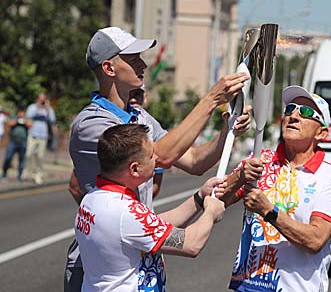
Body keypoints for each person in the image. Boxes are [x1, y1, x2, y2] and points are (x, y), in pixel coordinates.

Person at [65, 26, 250, 291]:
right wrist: (210, 100)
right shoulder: (91, 123)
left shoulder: (140, 116)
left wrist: (227, 132)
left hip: (140, 251)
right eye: (133, 59)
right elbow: (160, 157)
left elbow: (195, 160)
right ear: (109, 68)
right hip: (99, 263)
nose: (143, 64)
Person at [220, 85, 331, 292]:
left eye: (306, 112)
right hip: (248, 287)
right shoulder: (258, 160)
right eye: (290, 109)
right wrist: (239, 177)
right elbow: (215, 204)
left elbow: (315, 240)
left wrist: (268, 211)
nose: (294, 116)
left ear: (322, 132)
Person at [75, 123, 225, 291]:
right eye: (151, 155)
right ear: (135, 168)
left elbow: (151, 225)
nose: (156, 158)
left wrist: (199, 198)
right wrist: (211, 212)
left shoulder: (92, 199)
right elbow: (192, 244)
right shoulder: (126, 212)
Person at [24, 92, 56, 184]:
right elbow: (28, 116)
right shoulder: (32, 107)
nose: (42, 101)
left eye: (43, 100)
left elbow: (52, 120)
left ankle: (39, 175)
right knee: (28, 154)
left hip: (43, 136)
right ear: (38, 99)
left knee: (40, 156)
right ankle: (26, 171)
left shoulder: (48, 109)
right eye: (40, 99)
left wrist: (48, 108)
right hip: (33, 134)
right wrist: (38, 107)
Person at [2, 107, 32, 181]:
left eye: (23, 113)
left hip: (23, 142)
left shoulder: (26, 119)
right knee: (8, 157)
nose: (21, 114)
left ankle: (20, 176)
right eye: (20, 112)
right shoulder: (13, 117)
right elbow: (8, 123)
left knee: (21, 159)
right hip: (13, 141)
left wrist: (24, 120)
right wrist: (17, 120)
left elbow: (30, 124)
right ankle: (4, 173)